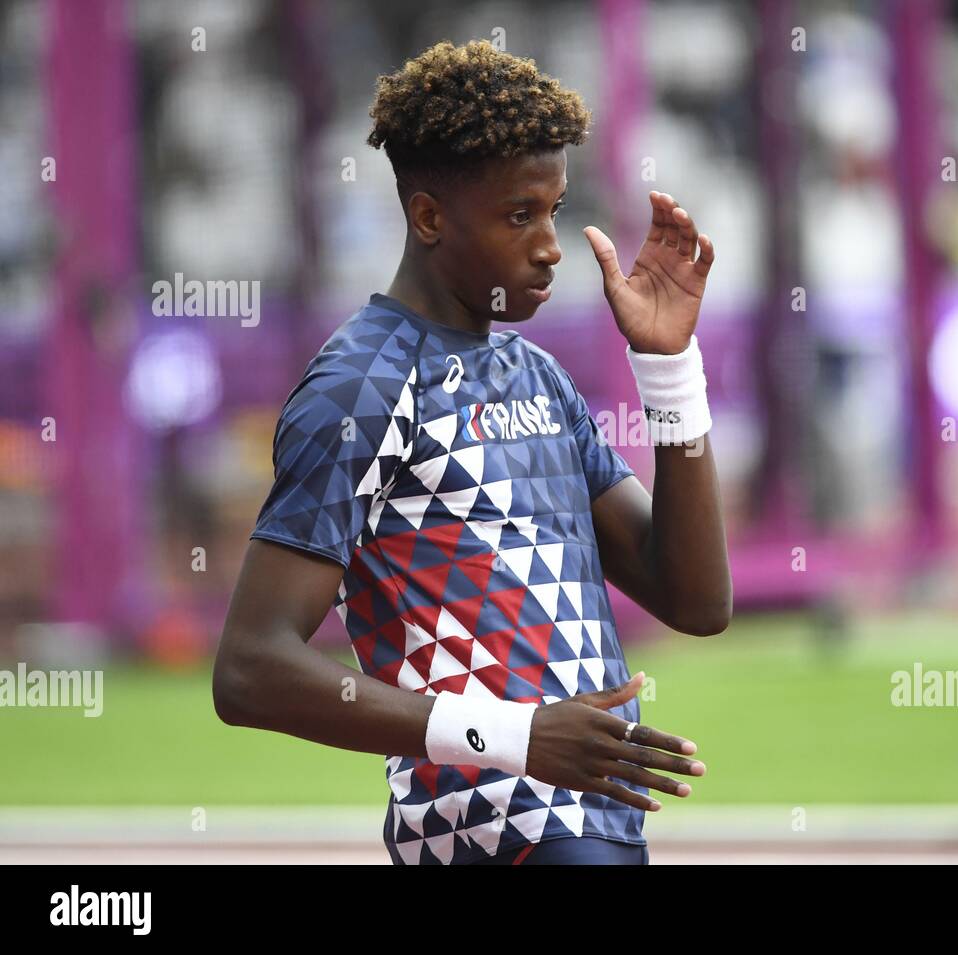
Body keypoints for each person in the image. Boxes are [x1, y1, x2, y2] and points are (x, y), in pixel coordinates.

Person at [212, 39, 732, 865]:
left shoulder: (537, 376)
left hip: (589, 830)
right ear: (429, 217)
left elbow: (696, 597)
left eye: (554, 210)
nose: (551, 245)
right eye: (519, 215)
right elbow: (249, 668)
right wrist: (514, 734)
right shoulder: (361, 386)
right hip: (489, 838)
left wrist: (668, 372)